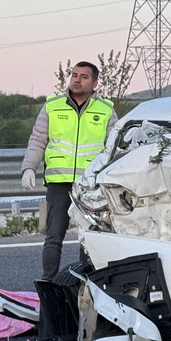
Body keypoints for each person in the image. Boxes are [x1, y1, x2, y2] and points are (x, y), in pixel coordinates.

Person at [21, 61, 116, 280]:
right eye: (74, 75)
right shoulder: (52, 106)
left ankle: (89, 283)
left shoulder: (106, 111)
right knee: (54, 236)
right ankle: (48, 283)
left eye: (83, 77)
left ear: (94, 83)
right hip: (59, 183)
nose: (76, 80)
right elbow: (38, 139)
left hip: (91, 186)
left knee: (90, 237)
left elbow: (114, 149)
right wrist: (28, 167)